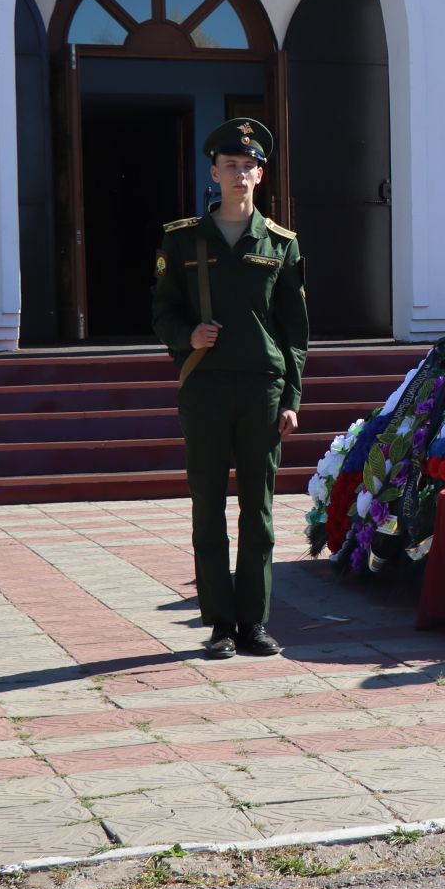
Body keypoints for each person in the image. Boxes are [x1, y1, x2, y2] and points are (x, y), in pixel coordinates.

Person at [151, 119, 307, 660]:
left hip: (263, 388)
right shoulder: (183, 238)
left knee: (258, 510)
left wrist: (292, 398)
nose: (240, 175)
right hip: (207, 387)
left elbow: (295, 332)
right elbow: (162, 309)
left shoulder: (281, 244)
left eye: (249, 166)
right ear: (213, 172)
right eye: (230, 165)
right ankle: (220, 624)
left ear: (260, 175)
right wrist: (185, 334)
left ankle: (254, 622)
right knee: (207, 507)